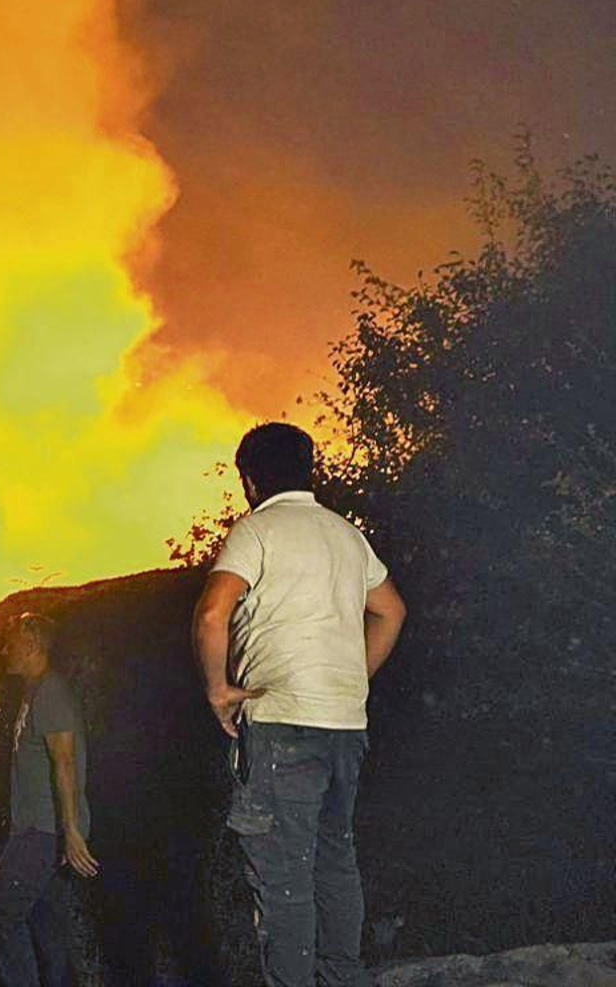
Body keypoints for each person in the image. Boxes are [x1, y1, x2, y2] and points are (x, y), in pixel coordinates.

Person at [192, 422, 407, 987]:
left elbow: (212, 612)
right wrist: (351, 679)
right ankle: (344, 978)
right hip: (344, 727)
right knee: (335, 861)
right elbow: (391, 611)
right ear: (307, 470)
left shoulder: (256, 530)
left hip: (281, 726)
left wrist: (217, 688)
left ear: (249, 479)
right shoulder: (346, 534)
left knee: (282, 875)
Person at [0, 611, 97, 987]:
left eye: (10, 643)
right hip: (41, 827)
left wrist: (71, 831)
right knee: (46, 920)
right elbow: (37, 756)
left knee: (1, 912)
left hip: (44, 830)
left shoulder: (51, 693)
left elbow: (65, 763)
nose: (5, 651)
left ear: (30, 647)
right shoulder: (34, 691)